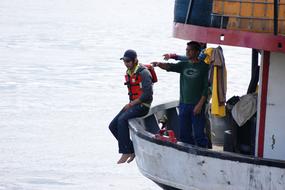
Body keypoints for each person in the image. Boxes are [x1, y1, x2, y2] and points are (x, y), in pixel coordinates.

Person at [152, 41, 209, 148]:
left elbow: (206, 89)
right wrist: (159, 64)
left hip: (197, 106)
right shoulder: (184, 65)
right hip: (184, 104)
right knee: (184, 134)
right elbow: (170, 67)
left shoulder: (204, 67)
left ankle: (204, 155)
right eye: (186, 50)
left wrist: (200, 105)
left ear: (197, 52)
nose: (187, 52)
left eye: (190, 50)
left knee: (199, 134)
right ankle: (189, 155)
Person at [109, 49, 153, 164]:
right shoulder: (130, 71)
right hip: (133, 105)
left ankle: (125, 151)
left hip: (143, 106)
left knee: (122, 119)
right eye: (124, 61)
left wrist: (131, 104)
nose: (126, 63)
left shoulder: (143, 73)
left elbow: (148, 94)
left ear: (135, 61)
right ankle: (132, 149)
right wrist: (130, 104)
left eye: (128, 61)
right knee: (112, 126)